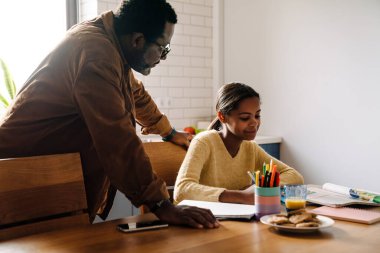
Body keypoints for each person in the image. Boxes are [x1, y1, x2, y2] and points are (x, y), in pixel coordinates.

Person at [0, 0, 218, 229]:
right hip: (20, 176)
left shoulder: (109, 43)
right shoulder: (97, 54)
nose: (162, 57)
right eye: (163, 49)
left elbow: (136, 93)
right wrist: (162, 204)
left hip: (46, 172)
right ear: (137, 40)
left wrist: (169, 132)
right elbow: (117, 139)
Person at [174, 83, 304, 205]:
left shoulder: (250, 147)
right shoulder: (204, 142)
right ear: (222, 116)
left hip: (235, 219)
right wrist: (242, 196)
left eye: (257, 116)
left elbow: (294, 176)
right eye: (245, 118)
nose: (254, 123)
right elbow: (182, 190)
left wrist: (259, 188)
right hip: (201, 220)